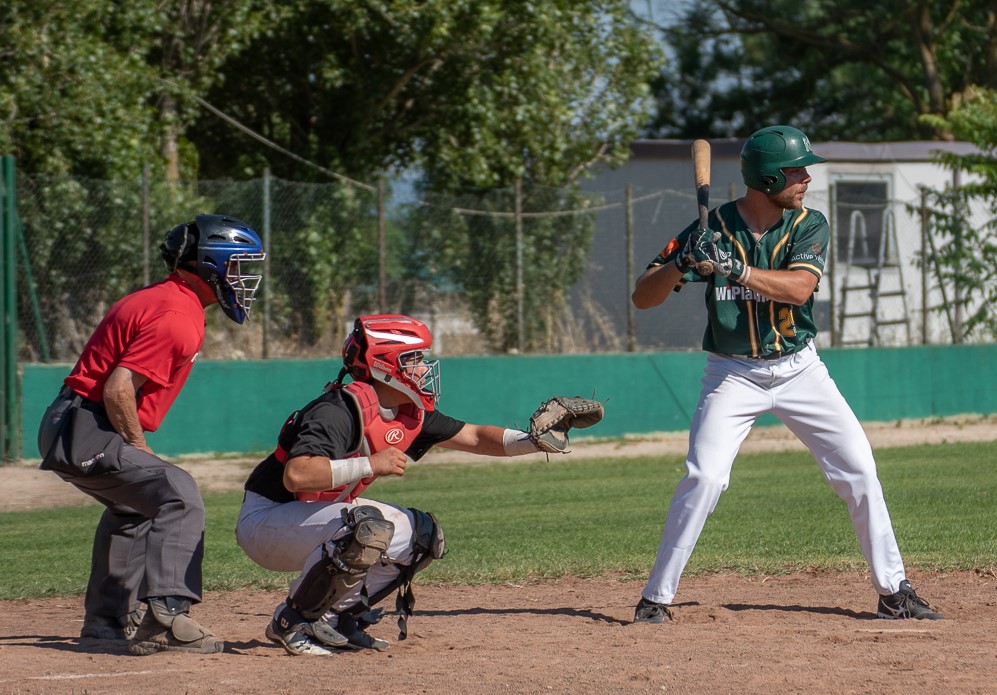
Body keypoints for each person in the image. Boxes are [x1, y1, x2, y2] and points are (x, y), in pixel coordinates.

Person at [629, 125, 942, 624]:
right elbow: (643, 296)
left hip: (800, 370)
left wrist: (736, 271)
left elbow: (798, 290)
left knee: (860, 470)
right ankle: (656, 598)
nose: (806, 179)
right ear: (769, 177)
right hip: (733, 374)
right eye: (797, 171)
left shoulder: (808, 224)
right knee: (705, 477)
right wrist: (684, 262)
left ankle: (893, 592)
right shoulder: (711, 230)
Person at [236, 314, 599, 655]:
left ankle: (337, 618)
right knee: (366, 526)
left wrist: (532, 440)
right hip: (267, 522)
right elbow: (297, 475)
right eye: (414, 359)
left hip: (309, 522)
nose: (424, 368)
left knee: (421, 537)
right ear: (384, 364)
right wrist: (370, 464)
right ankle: (293, 620)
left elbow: (473, 436)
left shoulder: (407, 411)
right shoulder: (338, 410)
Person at [36, 214, 266, 654]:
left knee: (134, 508)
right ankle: (166, 615)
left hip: (70, 420)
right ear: (209, 266)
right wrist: (136, 444)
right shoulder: (177, 315)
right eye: (237, 265)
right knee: (176, 492)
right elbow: (118, 387)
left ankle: (106, 620)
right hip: (86, 425)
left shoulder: (165, 299)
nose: (242, 277)